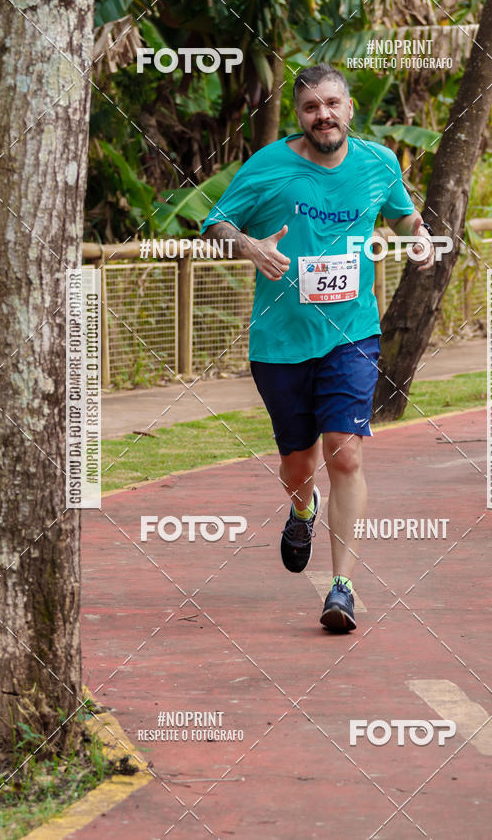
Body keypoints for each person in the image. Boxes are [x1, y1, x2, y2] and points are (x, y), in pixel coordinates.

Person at [202, 63, 434, 633]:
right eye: (311, 107)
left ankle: (342, 588)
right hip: (280, 342)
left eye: (332, 104)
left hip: (352, 333)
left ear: (349, 108)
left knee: (345, 453)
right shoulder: (269, 166)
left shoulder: (379, 162)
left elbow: (403, 215)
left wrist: (419, 237)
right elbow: (215, 226)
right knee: (298, 462)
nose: (323, 115)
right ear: (299, 115)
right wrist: (250, 246)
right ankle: (302, 507)